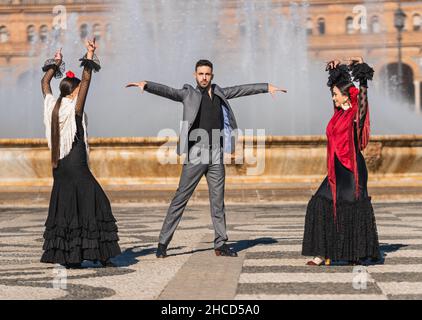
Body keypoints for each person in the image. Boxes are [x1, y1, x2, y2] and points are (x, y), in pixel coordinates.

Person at [127, 59, 286, 258]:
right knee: (180, 199)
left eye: (207, 74)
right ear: (195, 75)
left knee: (218, 202)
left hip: (217, 154)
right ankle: (162, 243)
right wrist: (147, 85)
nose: (204, 77)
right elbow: (170, 92)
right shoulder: (188, 93)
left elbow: (241, 89)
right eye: (200, 74)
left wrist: (266, 87)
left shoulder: (220, 93)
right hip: (196, 152)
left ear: (212, 75)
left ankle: (220, 244)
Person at [40, 39, 121, 268]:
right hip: (76, 164)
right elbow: (86, 79)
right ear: (74, 92)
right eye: (77, 90)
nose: (79, 92)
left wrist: (55, 64)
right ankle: (103, 255)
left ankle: (71, 258)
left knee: (67, 209)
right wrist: (90, 53)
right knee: (98, 204)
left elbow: (45, 82)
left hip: (59, 166)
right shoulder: (74, 108)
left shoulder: (51, 106)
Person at [302, 57, 381, 266]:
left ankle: (355, 254)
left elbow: (362, 102)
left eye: (336, 95)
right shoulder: (338, 114)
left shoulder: (356, 115)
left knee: (352, 208)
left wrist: (362, 77)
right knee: (319, 202)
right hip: (336, 169)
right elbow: (342, 86)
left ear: (346, 97)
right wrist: (337, 71)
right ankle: (322, 253)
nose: (333, 98)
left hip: (352, 169)